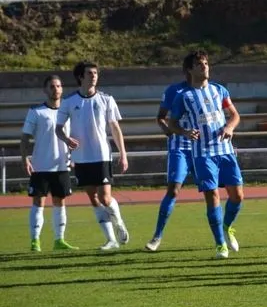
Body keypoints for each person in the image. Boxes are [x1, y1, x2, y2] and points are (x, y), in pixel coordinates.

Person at [167, 50, 243, 259]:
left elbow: (235, 115)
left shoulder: (220, 90)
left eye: (206, 63)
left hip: (225, 150)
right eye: (200, 64)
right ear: (190, 70)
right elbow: (171, 123)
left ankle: (227, 226)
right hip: (203, 153)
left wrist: (229, 127)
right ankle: (220, 244)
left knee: (237, 196)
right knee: (213, 196)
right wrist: (184, 132)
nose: (205, 67)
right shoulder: (184, 97)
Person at [55, 61, 130, 251]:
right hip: (81, 158)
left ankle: (119, 222)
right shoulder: (69, 101)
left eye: (95, 73)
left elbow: (115, 127)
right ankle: (111, 240)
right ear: (81, 76)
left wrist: (123, 154)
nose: (94, 76)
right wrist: (67, 139)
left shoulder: (106, 99)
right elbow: (58, 128)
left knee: (105, 197)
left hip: (102, 155)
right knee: (93, 198)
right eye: (89, 73)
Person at [21, 75, 77, 252]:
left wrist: (75, 157)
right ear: (45, 90)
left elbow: (74, 137)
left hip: (61, 165)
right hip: (41, 166)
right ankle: (35, 240)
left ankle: (59, 240)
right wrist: (25, 159)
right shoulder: (36, 111)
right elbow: (24, 138)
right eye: (52, 86)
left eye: (59, 86)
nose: (56, 89)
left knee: (60, 203)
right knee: (39, 202)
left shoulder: (67, 111)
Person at [145, 65, 198, 252]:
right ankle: (157, 236)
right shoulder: (174, 90)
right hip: (180, 147)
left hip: (203, 147)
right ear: (188, 70)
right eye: (196, 66)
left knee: (212, 191)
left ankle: (221, 237)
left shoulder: (210, 90)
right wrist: (169, 132)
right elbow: (161, 117)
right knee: (174, 190)